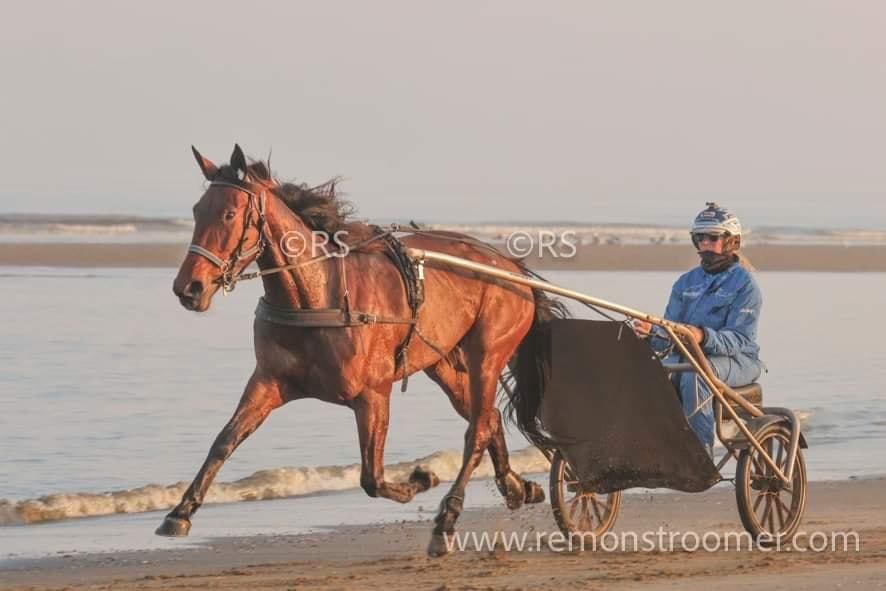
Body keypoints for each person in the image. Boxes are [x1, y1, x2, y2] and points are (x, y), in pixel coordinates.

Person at [633, 203, 764, 459]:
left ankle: (700, 455)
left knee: (696, 374)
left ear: (731, 241)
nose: (705, 243)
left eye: (713, 237)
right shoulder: (685, 283)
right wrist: (652, 333)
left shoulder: (746, 285)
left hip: (738, 360)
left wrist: (702, 336)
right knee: (647, 372)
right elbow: (670, 335)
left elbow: (739, 339)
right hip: (689, 357)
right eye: (700, 238)